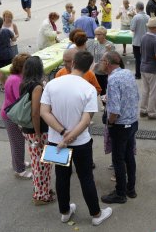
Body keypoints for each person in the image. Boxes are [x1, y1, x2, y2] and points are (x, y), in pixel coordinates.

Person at [40, 51, 113, 226]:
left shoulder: (52, 84)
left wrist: (62, 133)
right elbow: (86, 120)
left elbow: (44, 112)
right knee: (86, 177)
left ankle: (64, 211)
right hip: (80, 142)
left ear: (72, 63)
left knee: (61, 176)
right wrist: (70, 136)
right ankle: (96, 214)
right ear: (89, 67)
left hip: (55, 141)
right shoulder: (88, 88)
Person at [99, 51, 140, 204]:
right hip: (132, 122)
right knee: (129, 157)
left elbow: (115, 110)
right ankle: (131, 189)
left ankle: (120, 193)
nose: (100, 63)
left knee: (118, 159)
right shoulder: (127, 73)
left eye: (102, 60)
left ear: (107, 63)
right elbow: (136, 96)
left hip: (120, 125)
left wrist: (110, 122)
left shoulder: (113, 79)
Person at [20, 56, 55, 205]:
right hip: (37, 130)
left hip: (28, 129)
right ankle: (41, 196)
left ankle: (43, 189)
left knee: (39, 162)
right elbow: (36, 112)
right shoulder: (37, 87)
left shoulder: (24, 84)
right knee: (42, 164)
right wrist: (38, 135)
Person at [1, 53, 31, 179]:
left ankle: (19, 163)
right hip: (13, 116)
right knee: (17, 143)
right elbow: (21, 100)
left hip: (11, 113)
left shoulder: (16, 76)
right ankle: (19, 170)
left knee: (17, 142)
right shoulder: (16, 80)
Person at [87, 26, 116, 96]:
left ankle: (105, 105)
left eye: (99, 34)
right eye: (95, 34)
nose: (96, 36)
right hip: (95, 71)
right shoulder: (94, 43)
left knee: (104, 90)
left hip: (104, 72)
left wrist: (108, 51)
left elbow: (112, 59)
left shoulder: (110, 45)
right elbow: (93, 57)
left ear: (104, 35)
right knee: (94, 90)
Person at [131, 1, 150, 80]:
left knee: (138, 59)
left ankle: (138, 74)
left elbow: (132, 29)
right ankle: (146, 74)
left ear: (137, 8)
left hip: (137, 41)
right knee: (145, 58)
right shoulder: (148, 17)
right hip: (146, 40)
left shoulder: (136, 17)